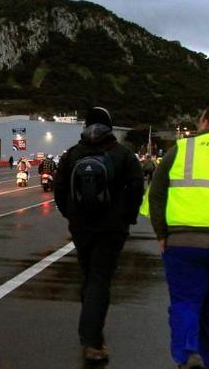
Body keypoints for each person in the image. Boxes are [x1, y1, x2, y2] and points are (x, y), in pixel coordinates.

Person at [149, 105, 209, 369]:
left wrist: (161, 234)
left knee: (186, 301)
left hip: (183, 243)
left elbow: (156, 193)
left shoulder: (180, 149)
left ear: (203, 121)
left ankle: (188, 354)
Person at [54, 107, 143, 363]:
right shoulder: (122, 154)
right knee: (100, 279)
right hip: (111, 228)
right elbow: (137, 187)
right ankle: (92, 341)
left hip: (81, 227)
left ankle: (90, 331)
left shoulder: (72, 154)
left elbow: (59, 190)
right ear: (110, 126)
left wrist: (70, 215)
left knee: (89, 274)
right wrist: (128, 217)